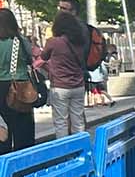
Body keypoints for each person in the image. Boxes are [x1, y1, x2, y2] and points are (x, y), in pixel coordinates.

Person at [41, 11, 89, 138]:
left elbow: (43, 56)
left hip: (60, 86)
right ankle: (80, 149)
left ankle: (65, 153)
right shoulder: (80, 43)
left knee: (61, 122)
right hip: (78, 85)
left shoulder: (53, 42)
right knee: (78, 121)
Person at [0, 8, 40, 151]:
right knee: (24, 129)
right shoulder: (20, 41)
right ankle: (24, 163)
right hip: (21, 86)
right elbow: (32, 59)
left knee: (2, 129)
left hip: (1, 88)